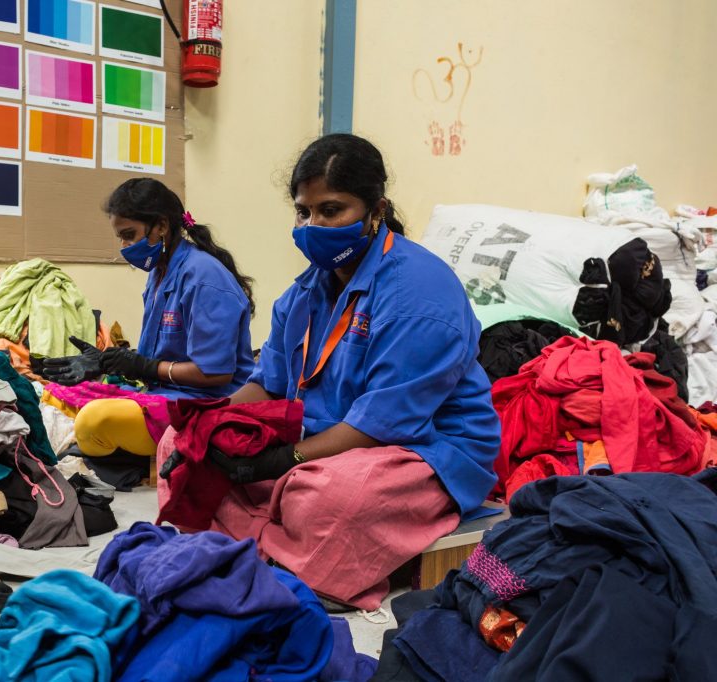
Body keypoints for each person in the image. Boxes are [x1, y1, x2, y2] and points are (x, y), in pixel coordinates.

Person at [156, 134, 501, 610]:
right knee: (178, 445)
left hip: (421, 447)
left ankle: (269, 548)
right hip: (323, 439)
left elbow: (384, 423)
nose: (313, 225)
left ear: (375, 209)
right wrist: (208, 426)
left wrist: (279, 461)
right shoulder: (304, 293)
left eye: (332, 210)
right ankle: (281, 549)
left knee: (327, 496)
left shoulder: (420, 293)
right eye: (304, 212)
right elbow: (267, 383)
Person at [42, 178, 255, 457]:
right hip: (164, 395)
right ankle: (125, 451)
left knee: (94, 421)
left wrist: (143, 366)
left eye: (129, 235)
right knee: (54, 394)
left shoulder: (204, 278)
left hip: (207, 404)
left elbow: (215, 372)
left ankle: (128, 453)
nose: (124, 245)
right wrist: (107, 361)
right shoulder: (159, 272)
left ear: (162, 226)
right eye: (120, 237)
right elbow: (153, 359)